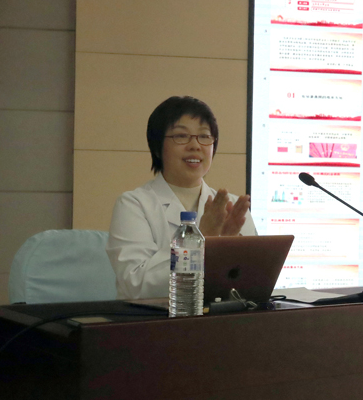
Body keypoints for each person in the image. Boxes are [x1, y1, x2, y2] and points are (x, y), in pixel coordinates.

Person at [107, 96, 257, 299]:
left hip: (223, 316)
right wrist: (202, 238)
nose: (195, 146)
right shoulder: (134, 205)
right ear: (157, 147)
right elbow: (136, 284)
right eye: (181, 136)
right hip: (155, 317)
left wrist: (230, 250)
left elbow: (254, 283)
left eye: (204, 136)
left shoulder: (232, 207)